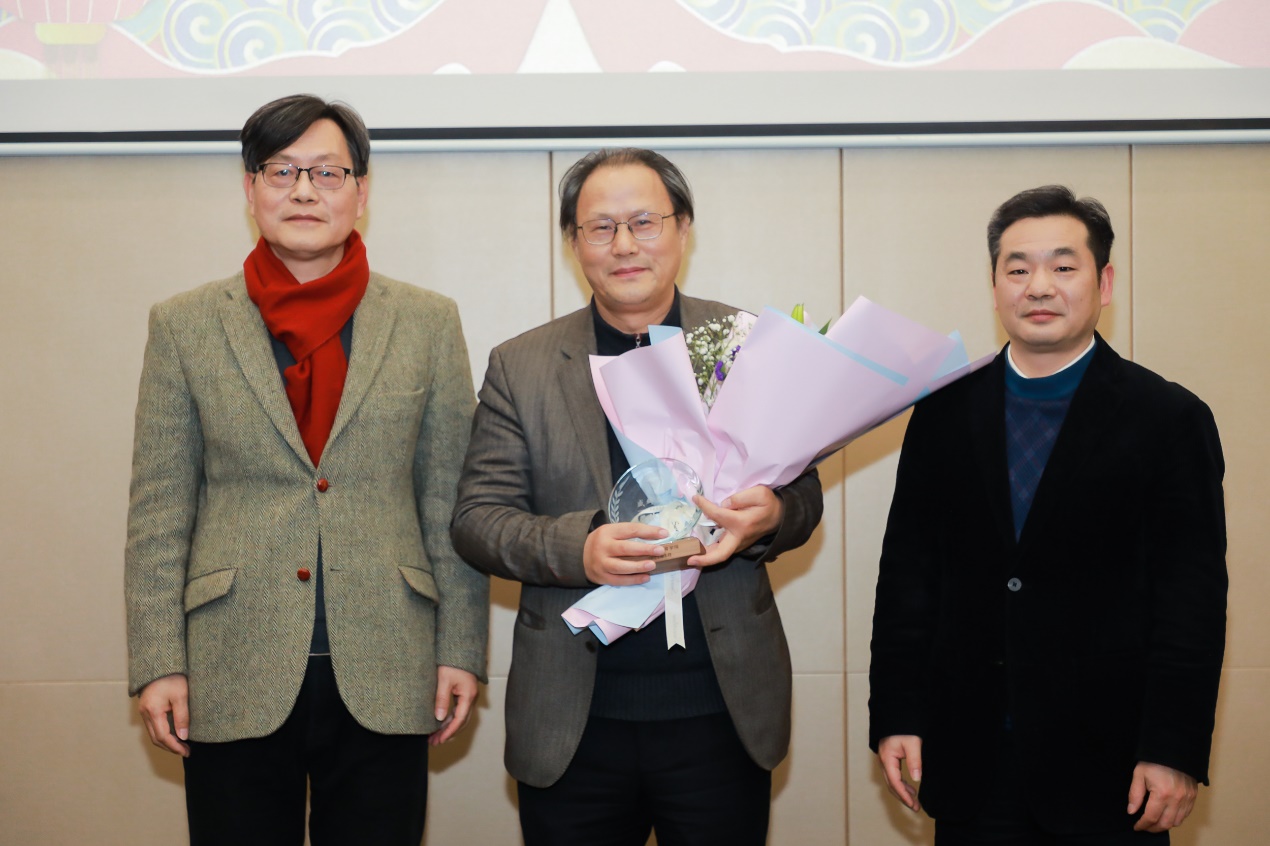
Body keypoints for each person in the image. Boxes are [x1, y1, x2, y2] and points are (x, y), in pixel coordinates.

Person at [124, 94, 488, 845]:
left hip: (389, 658)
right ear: (250, 187)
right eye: (281, 171)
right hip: (231, 663)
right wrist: (158, 661)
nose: (303, 191)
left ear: (362, 191)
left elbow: (448, 500)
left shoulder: (426, 321)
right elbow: (159, 510)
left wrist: (460, 648)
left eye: (327, 172)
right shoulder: (185, 324)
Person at [450, 148, 823, 845]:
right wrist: (581, 548)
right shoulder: (522, 366)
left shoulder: (741, 344)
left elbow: (801, 492)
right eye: (601, 227)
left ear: (683, 229)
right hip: (575, 716)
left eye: (645, 222)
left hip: (721, 707)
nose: (624, 244)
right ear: (574, 243)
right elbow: (478, 520)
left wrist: (773, 514)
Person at [869, 185, 1227, 844]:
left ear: (1104, 283)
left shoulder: (1168, 419)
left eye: (1063, 266)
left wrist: (1172, 747)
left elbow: (1192, 602)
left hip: (1111, 765)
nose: (1039, 286)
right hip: (970, 755)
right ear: (995, 285)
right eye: (1018, 268)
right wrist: (896, 713)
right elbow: (907, 578)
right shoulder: (944, 411)